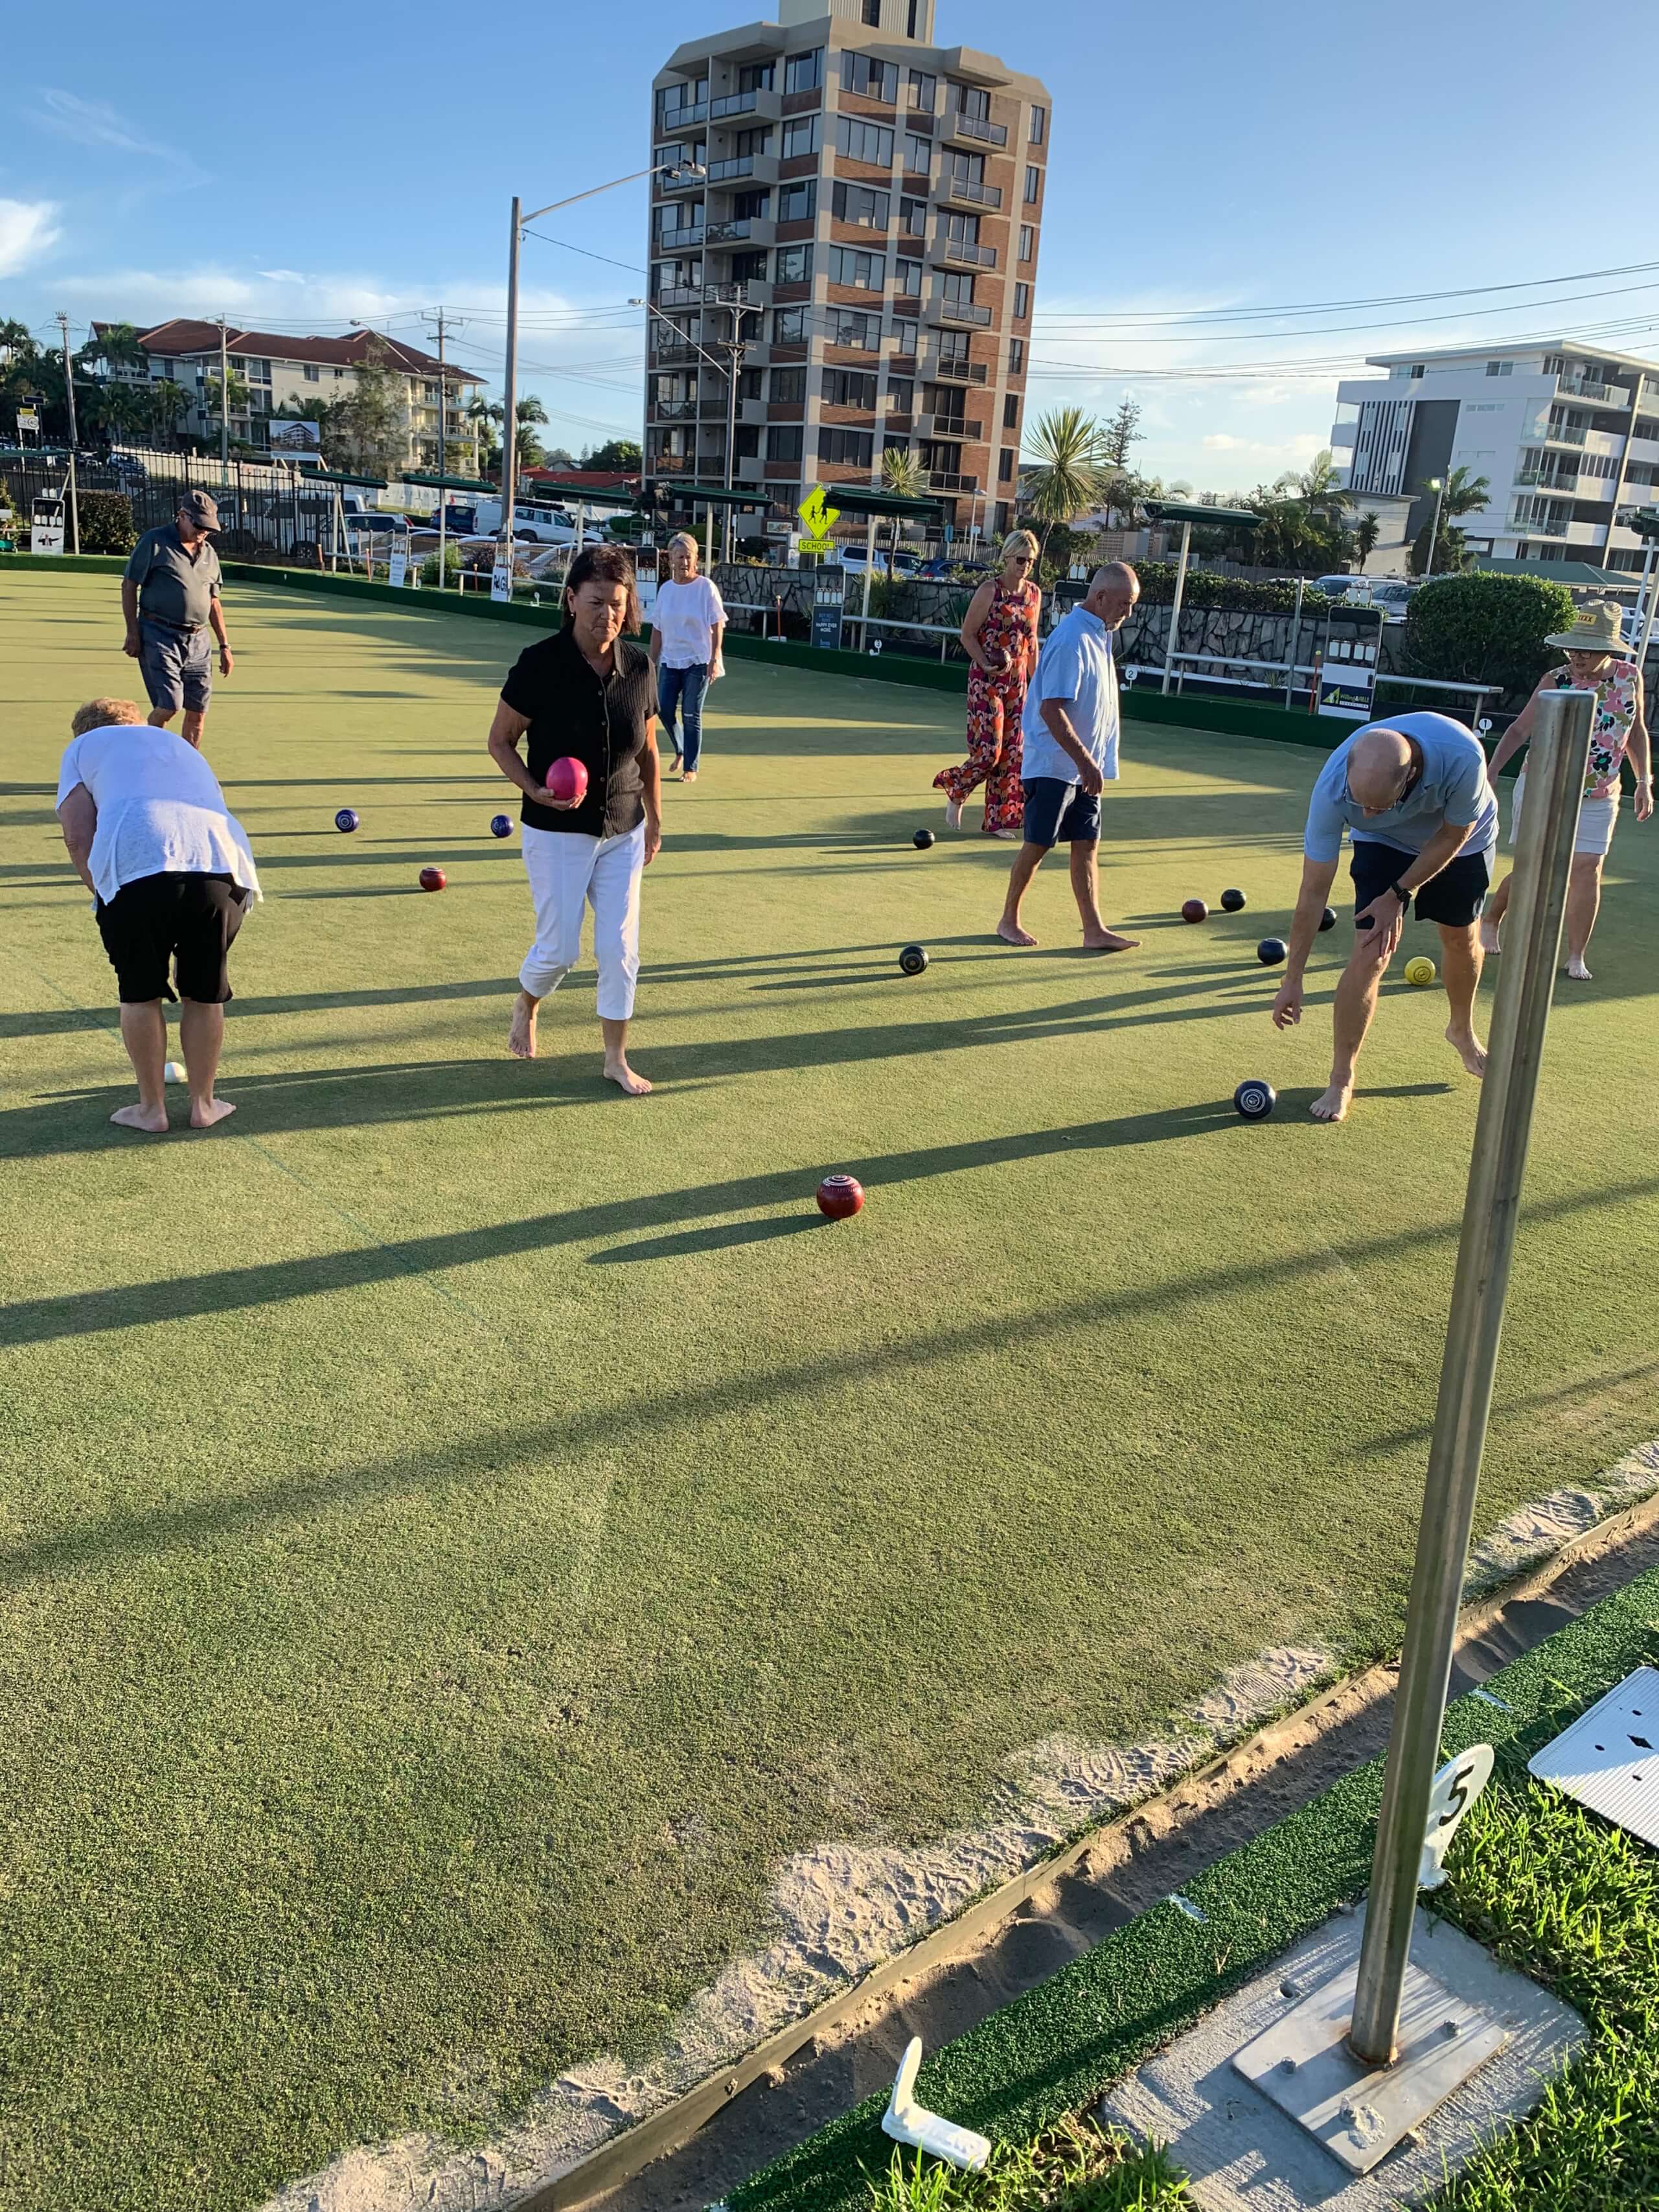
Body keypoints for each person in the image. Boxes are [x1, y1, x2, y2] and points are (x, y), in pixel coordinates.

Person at [488, 544, 663, 1096]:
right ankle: (527, 1001)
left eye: (617, 603)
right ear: (570, 600)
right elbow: (500, 741)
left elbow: (648, 750)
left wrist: (656, 819)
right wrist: (534, 789)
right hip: (556, 830)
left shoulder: (639, 667)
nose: (607, 614)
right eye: (595, 602)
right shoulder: (539, 664)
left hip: (623, 827)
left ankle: (615, 1058)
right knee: (559, 951)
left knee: (620, 949)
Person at [1272, 711, 1498, 1123]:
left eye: (1378, 806)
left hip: (1461, 841)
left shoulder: (1462, 757)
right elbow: (1313, 890)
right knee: (1370, 950)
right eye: (1360, 804)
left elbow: (1454, 834)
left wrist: (1398, 894)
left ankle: (1461, 1029)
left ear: (1410, 777)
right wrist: (1293, 978)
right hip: (1384, 844)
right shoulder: (1333, 790)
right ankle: (1341, 1078)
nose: (1367, 814)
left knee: (1460, 937)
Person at [54, 696, 258, 1133]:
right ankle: (204, 1105)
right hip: (223, 869)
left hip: (138, 871)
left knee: (139, 991)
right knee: (204, 989)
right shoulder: (178, 745)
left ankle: (152, 1110)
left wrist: (101, 891)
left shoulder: (82, 748)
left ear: (84, 732)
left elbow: (76, 834)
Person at [1480, 600, 1653, 979]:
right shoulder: (1555, 680)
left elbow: (1636, 731)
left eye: (1586, 648)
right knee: (1535, 867)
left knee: (1588, 868)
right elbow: (1520, 730)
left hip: (1600, 794)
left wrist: (1644, 781)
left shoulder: (1630, 677)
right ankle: (1491, 919)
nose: (1576, 655)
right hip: (1544, 787)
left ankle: (1576, 956)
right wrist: (1491, 773)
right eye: (1573, 647)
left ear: (1608, 649)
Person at [997, 563, 1142, 952]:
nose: (1128, 613)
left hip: (1082, 769)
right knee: (1039, 844)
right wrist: (1085, 761)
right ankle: (1008, 920)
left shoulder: (1099, 636)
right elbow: (1051, 709)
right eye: (1125, 603)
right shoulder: (1072, 639)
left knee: (1087, 844)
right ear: (1101, 597)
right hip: (1054, 765)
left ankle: (1094, 929)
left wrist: (1092, 763)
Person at [934, 530, 1042, 837]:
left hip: (1018, 684)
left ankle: (998, 821)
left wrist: (1038, 684)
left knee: (1012, 754)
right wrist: (984, 663)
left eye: (1030, 561)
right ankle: (957, 789)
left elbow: (1032, 642)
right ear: (1007, 557)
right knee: (989, 753)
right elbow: (967, 635)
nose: (1025, 566)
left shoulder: (1034, 594)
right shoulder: (989, 591)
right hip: (987, 681)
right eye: (1020, 559)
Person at [120, 492, 234, 751]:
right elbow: (129, 585)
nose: (204, 532)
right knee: (170, 705)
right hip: (159, 633)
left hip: (199, 641)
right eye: (199, 525)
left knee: (198, 711)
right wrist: (133, 632)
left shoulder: (210, 554)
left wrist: (225, 646)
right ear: (182, 516)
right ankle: (146, 753)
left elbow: (214, 602)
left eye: (209, 528)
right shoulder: (154, 541)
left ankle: (186, 764)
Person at [649, 532, 726, 782]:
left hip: (699, 661)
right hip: (671, 661)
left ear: (696, 559)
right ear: (671, 559)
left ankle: (691, 767)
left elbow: (717, 624)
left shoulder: (705, 588)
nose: (684, 562)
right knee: (664, 710)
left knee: (691, 714)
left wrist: (715, 658)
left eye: (689, 557)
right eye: (680, 557)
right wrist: (651, 662)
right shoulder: (666, 590)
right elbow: (658, 628)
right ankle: (681, 749)